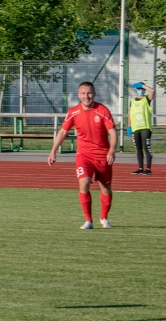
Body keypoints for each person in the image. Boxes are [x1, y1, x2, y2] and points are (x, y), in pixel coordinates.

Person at [48, 81, 117, 229]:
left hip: (102, 156)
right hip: (83, 155)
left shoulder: (102, 110)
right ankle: (88, 220)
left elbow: (112, 132)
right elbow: (63, 131)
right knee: (84, 183)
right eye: (83, 93)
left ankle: (103, 218)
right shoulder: (73, 112)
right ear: (79, 95)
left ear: (94, 94)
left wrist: (111, 150)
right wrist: (53, 150)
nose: (87, 96)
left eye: (89, 93)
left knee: (106, 188)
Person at [129, 81, 155, 175]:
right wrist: (129, 126)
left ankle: (148, 169)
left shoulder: (147, 99)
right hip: (135, 128)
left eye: (142, 89)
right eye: (139, 89)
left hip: (145, 127)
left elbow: (152, 91)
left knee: (146, 147)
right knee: (138, 148)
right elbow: (130, 114)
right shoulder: (132, 101)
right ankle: (140, 168)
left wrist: (143, 86)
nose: (141, 90)